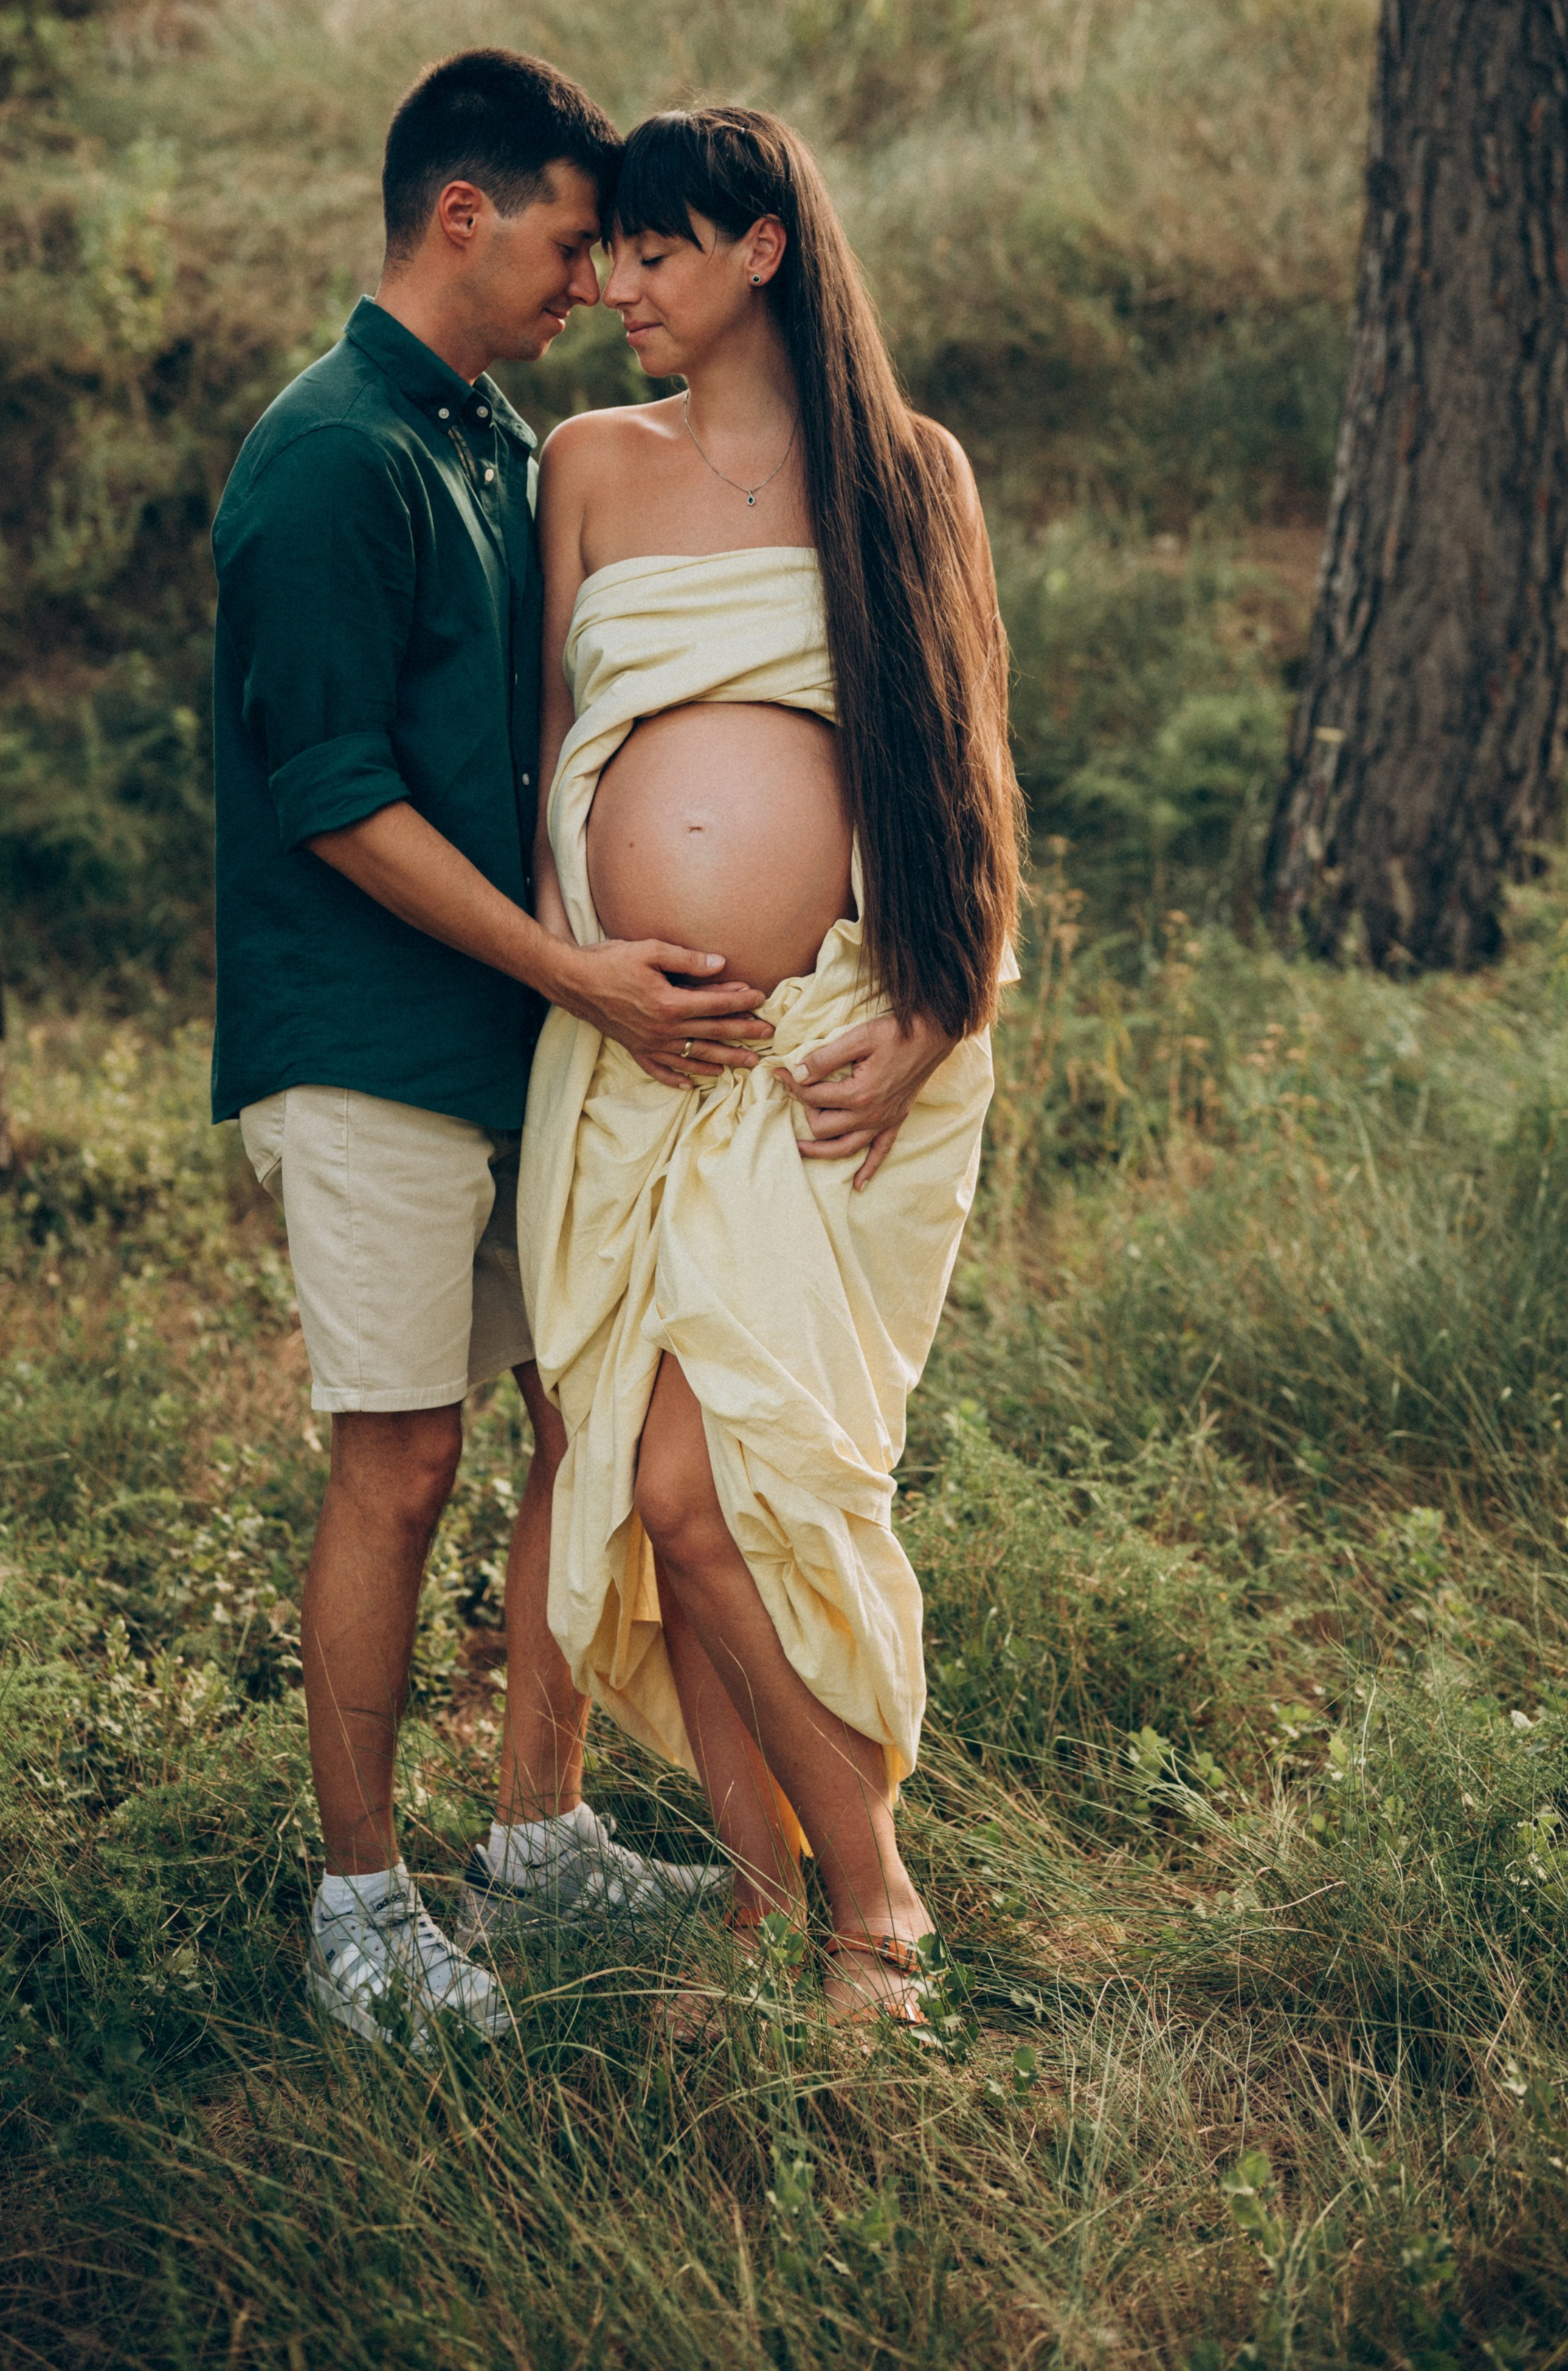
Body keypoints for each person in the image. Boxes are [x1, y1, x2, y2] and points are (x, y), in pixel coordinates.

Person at [211, 52, 772, 2046]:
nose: (587, 281)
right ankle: (356, 1907)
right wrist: (578, 964)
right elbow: (332, 795)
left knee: (570, 1413)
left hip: (518, 1036)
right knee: (402, 1450)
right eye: (565, 239)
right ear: (461, 212)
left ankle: (533, 1838)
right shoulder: (332, 454)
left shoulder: (493, 441)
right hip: (364, 1036)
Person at [519, 105, 1023, 2025]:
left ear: (761, 253)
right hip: (634, 1055)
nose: (617, 285)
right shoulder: (585, 465)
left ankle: (872, 1905)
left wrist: (935, 1004)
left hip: (840, 1050)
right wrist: (588, 977)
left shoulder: (906, 475)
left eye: (655, 249)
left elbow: (965, 761)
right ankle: (757, 1909)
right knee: (671, 1493)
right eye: (612, 252)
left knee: (724, 1484)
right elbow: (545, 755)